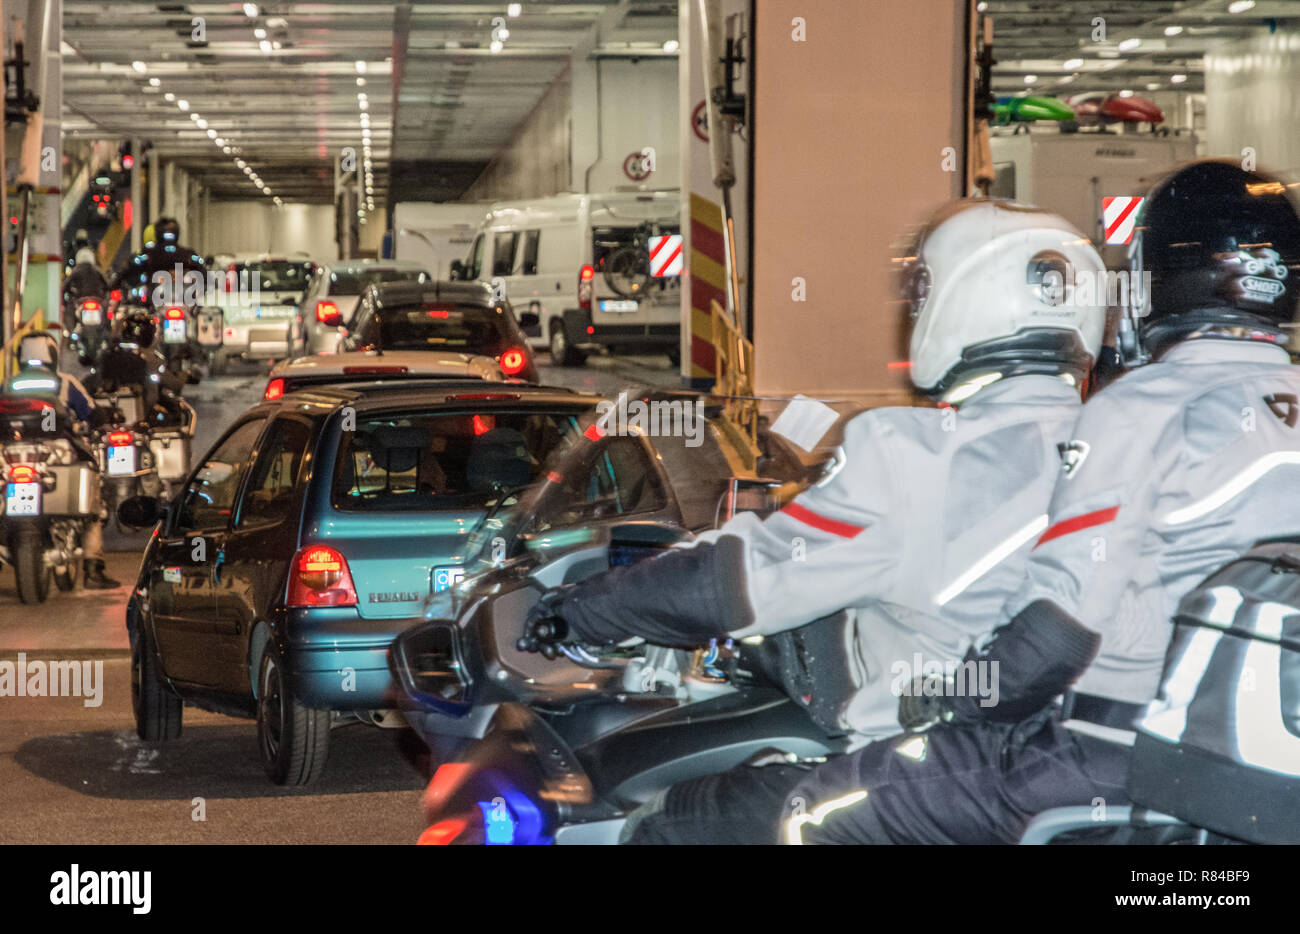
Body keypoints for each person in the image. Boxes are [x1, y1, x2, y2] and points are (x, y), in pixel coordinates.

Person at [519, 199, 1109, 843]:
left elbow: (742, 578)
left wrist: (580, 613)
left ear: (959, 301)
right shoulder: (1128, 444)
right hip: (1088, 777)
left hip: (939, 772)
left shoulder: (918, 450)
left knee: (675, 823)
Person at [778, 158, 1300, 845]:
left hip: (1120, 755)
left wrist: (942, 698)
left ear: (1151, 282)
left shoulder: (1139, 410)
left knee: (820, 808)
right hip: (1258, 772)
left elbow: (1055, 635)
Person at [13, 332, 119, 589]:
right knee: (94, 493)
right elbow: (92, 413)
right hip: (59, 448)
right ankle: (92, 569)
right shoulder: (64, 382)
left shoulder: (9, 384)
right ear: (51, 355)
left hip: (13, 451)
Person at [109, 216, 205, 307]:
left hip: (168, 304)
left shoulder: (150, 254)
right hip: (169, 304)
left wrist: (117, 281)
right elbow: (203, 271)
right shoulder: (187, 254)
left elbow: (130, 268)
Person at [62, 248, 109, 329]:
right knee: (107, 314)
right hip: (97, 299)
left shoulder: (75, 271)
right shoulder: (97, 270)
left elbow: (65, 286)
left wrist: (67, 297)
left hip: (80, 299)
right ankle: (108, 331)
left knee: (69, 313)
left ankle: (70, 330)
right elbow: (108, 285)